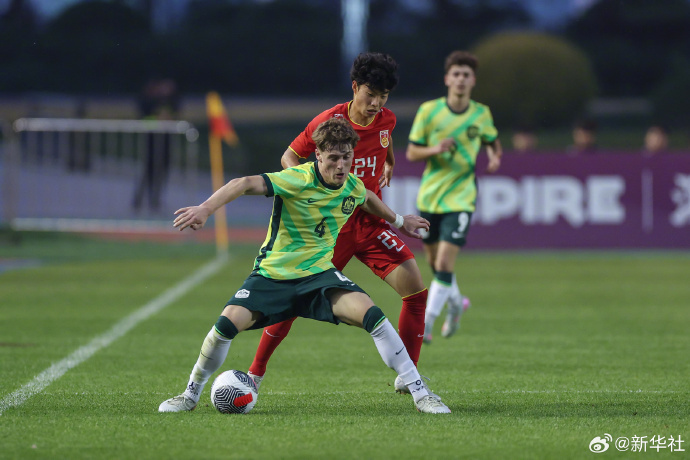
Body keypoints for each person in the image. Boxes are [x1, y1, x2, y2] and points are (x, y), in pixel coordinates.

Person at [158, 118, 450, 414]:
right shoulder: (297, 179)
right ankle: (189, 395)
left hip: (319, 277)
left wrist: (399, 221)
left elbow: (367, 198)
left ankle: (421, 394)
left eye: (346, 157)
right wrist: (205, 209)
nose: (341, 165)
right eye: (333, 158)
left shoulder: (352, 185)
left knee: (373, 316)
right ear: (318, 155)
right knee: (224, 327)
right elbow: (243, 184)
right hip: (272, 276)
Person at [246, 52, 432, 397]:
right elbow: (290, 156)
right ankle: (254, 374)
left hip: (371, 223)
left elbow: (385, 139)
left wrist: (389, 163)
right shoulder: (329, 122)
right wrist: (304, 187)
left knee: (417, 292)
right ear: (355, 87)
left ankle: (410, 375)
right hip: (332, 228)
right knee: (292, 300)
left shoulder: (387, 120)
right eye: (370, 95)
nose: (376, 104)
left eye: (383, 96)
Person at [406, 50, 502, 343]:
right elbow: (412, 152)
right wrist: (435, 149)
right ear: (447, 79)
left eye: (466, 75)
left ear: (473, 80)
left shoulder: (481, 113)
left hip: (461, 197)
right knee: (435, 264)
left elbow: (492, 141)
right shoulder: (429, 111)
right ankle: (457, 304)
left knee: (445, 264)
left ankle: (428, 324)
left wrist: (494, 156)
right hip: (430, 196)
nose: (461, 79)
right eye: (456, 74)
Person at [132, 77, 180, 212]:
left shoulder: (170, 100)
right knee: (148, 171)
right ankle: (139, 199)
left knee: (162, 170)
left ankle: (155, 200)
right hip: (151, 139)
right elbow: (145, 116)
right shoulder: (148, 100)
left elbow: (176, 111)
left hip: (165, 140)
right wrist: (158, 118)